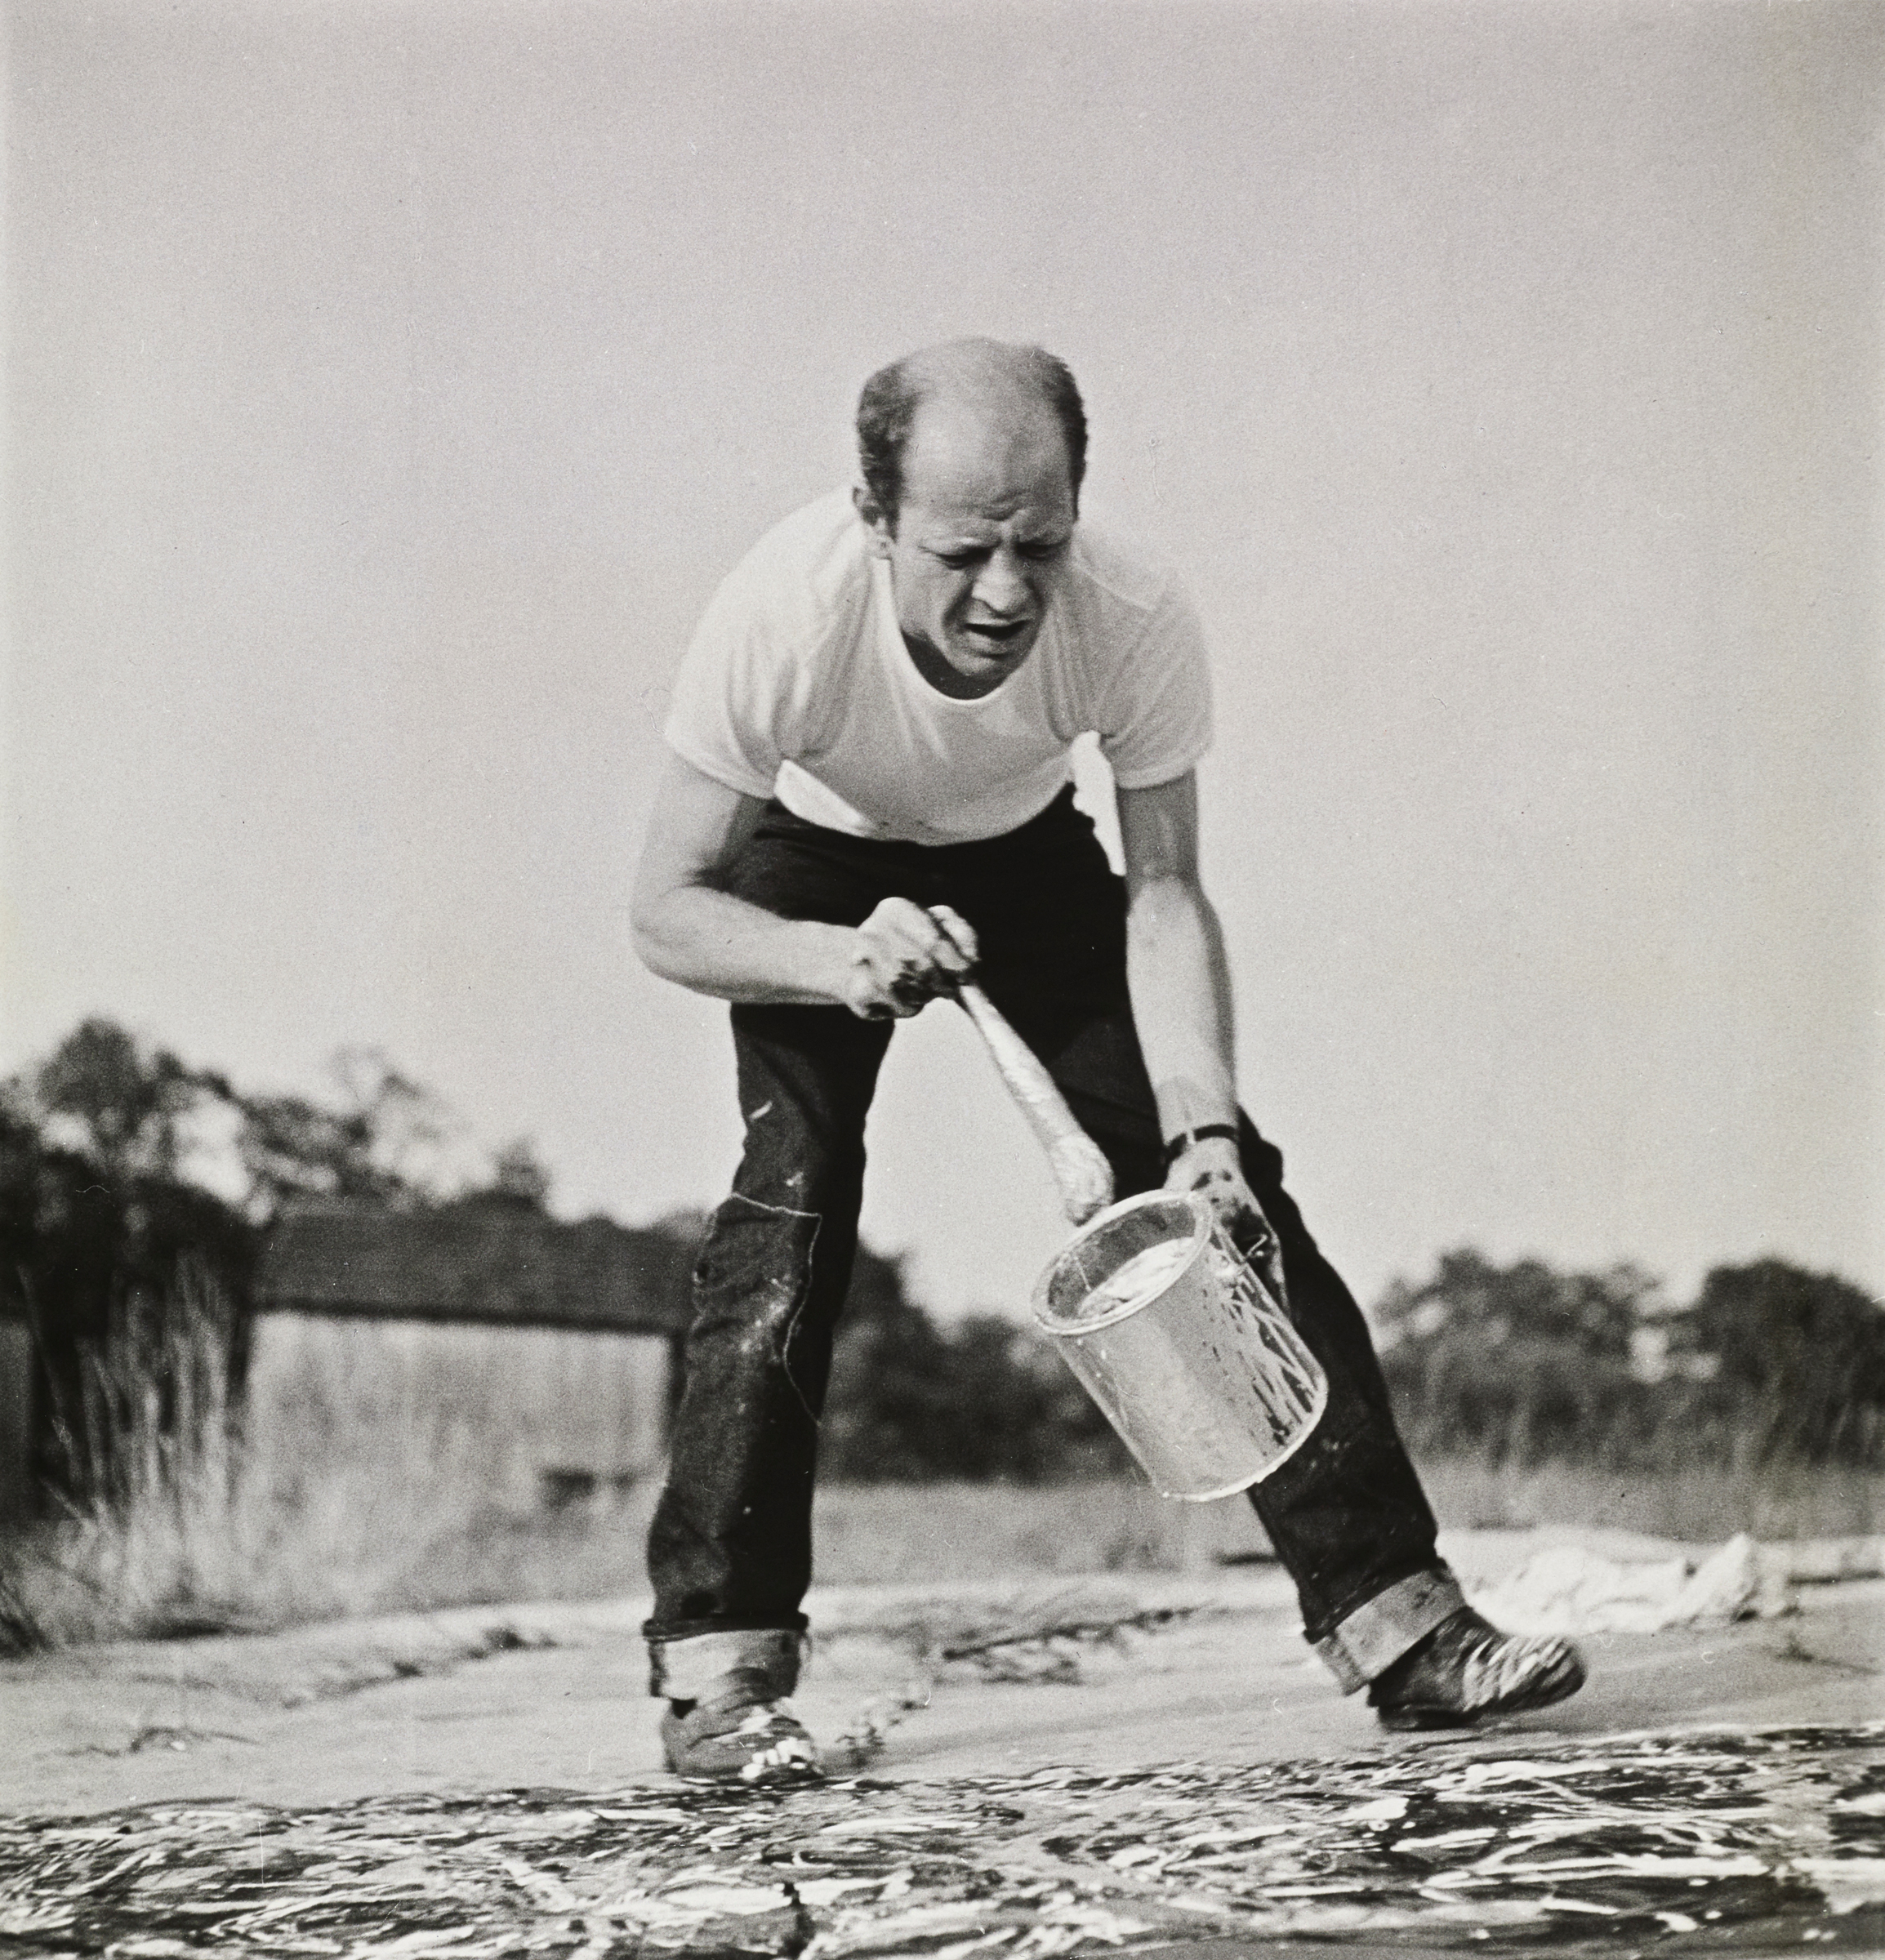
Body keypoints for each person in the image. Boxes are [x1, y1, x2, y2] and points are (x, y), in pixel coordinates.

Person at [629, 337, 1584, 1784]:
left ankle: (1404, 1626)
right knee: (795, 1194)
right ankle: (720, 1677)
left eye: (1042, 545)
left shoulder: (1130, 612)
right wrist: (838, 960)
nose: (1007, 594)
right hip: (812, 866)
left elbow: (1166, 894)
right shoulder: (781, 612)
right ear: (875, 516)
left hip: (1024, 858)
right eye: (961, 553)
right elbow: (667, 909)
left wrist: (1199, 1131)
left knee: (1226, 1197)